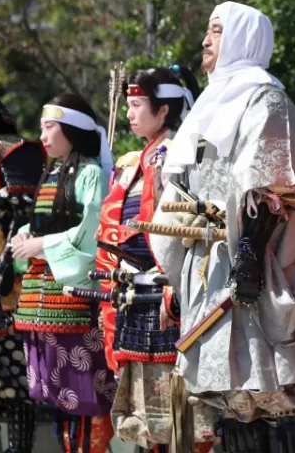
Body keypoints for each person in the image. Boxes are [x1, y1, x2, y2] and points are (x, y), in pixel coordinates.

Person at [147, 1, 295, 453]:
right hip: (209, 266)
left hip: (260, 266)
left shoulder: (266, 99)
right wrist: (174, 271)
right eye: (207, 30)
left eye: (216, 31)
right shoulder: (208, 105)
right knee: (232, 405)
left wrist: (248, 257)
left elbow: (273, 186)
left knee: (281, 399)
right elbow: (178, 190)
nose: (205, 40)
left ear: (242, 38)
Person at [94, 67, 205, 450]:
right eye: (128, 105)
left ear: (164, 111)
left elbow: (185, 228)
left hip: (164, 294)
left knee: (173, 409)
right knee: (140, 410)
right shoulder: (136, 158)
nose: (129, 114)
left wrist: (173, 279)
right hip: (135, 292)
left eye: (138, 105)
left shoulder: (177, 154)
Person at [10, 93, 117, 453]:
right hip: (42, 301)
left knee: (86, 395)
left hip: (74, 300)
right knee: (58, 398)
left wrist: (41, 246)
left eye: (49, 126)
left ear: (72, 129)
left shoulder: (91, 173)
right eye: (41, 127)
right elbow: (48, 221)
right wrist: (27, 234)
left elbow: (91, 229)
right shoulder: (53, 172)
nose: (42, 135)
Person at [0, 72, 46, 453]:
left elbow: (28, 217)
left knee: (17, 387)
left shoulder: (10, 150)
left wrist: (3, 268)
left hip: (5, 287)